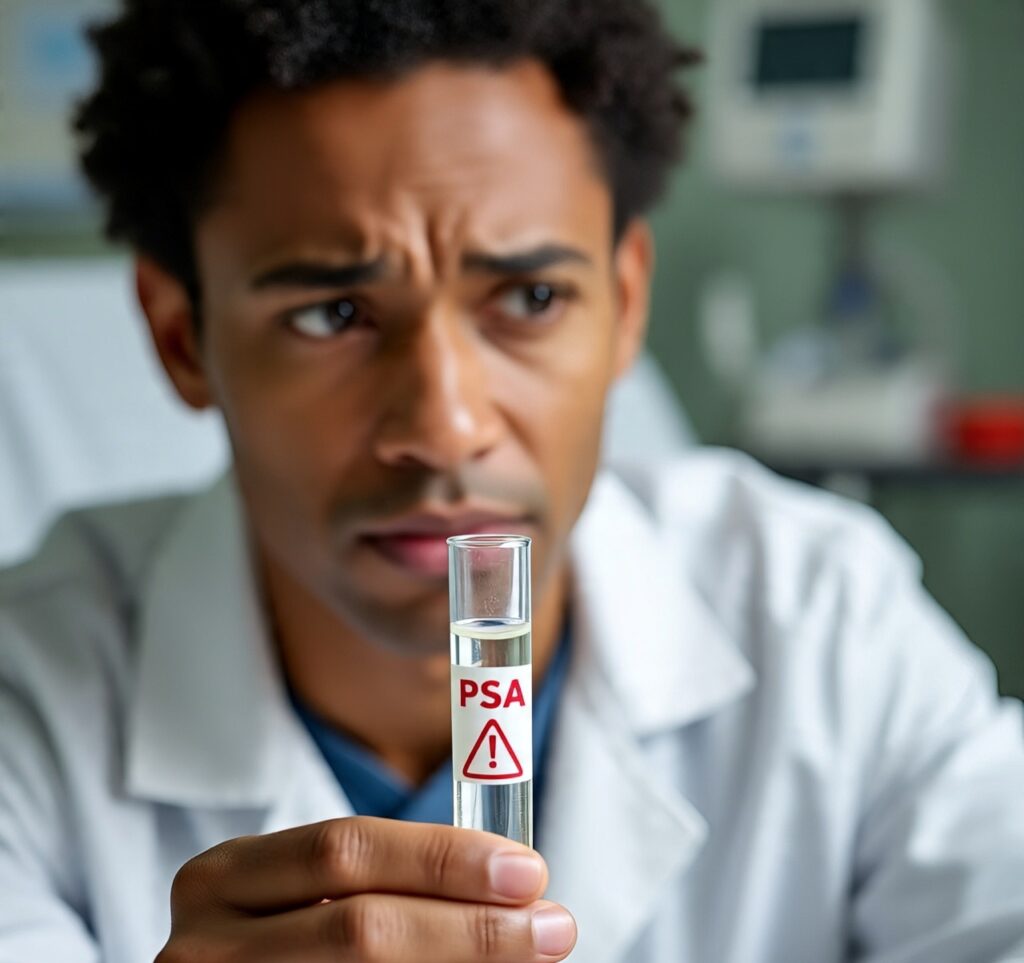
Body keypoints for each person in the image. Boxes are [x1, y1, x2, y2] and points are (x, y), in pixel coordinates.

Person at [2, 1, 1024, 960]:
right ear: (183, 338)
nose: (447, 427)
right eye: (331, 315)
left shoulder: (818, 618)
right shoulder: (28, 697)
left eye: (530, 297)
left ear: (623, 306)